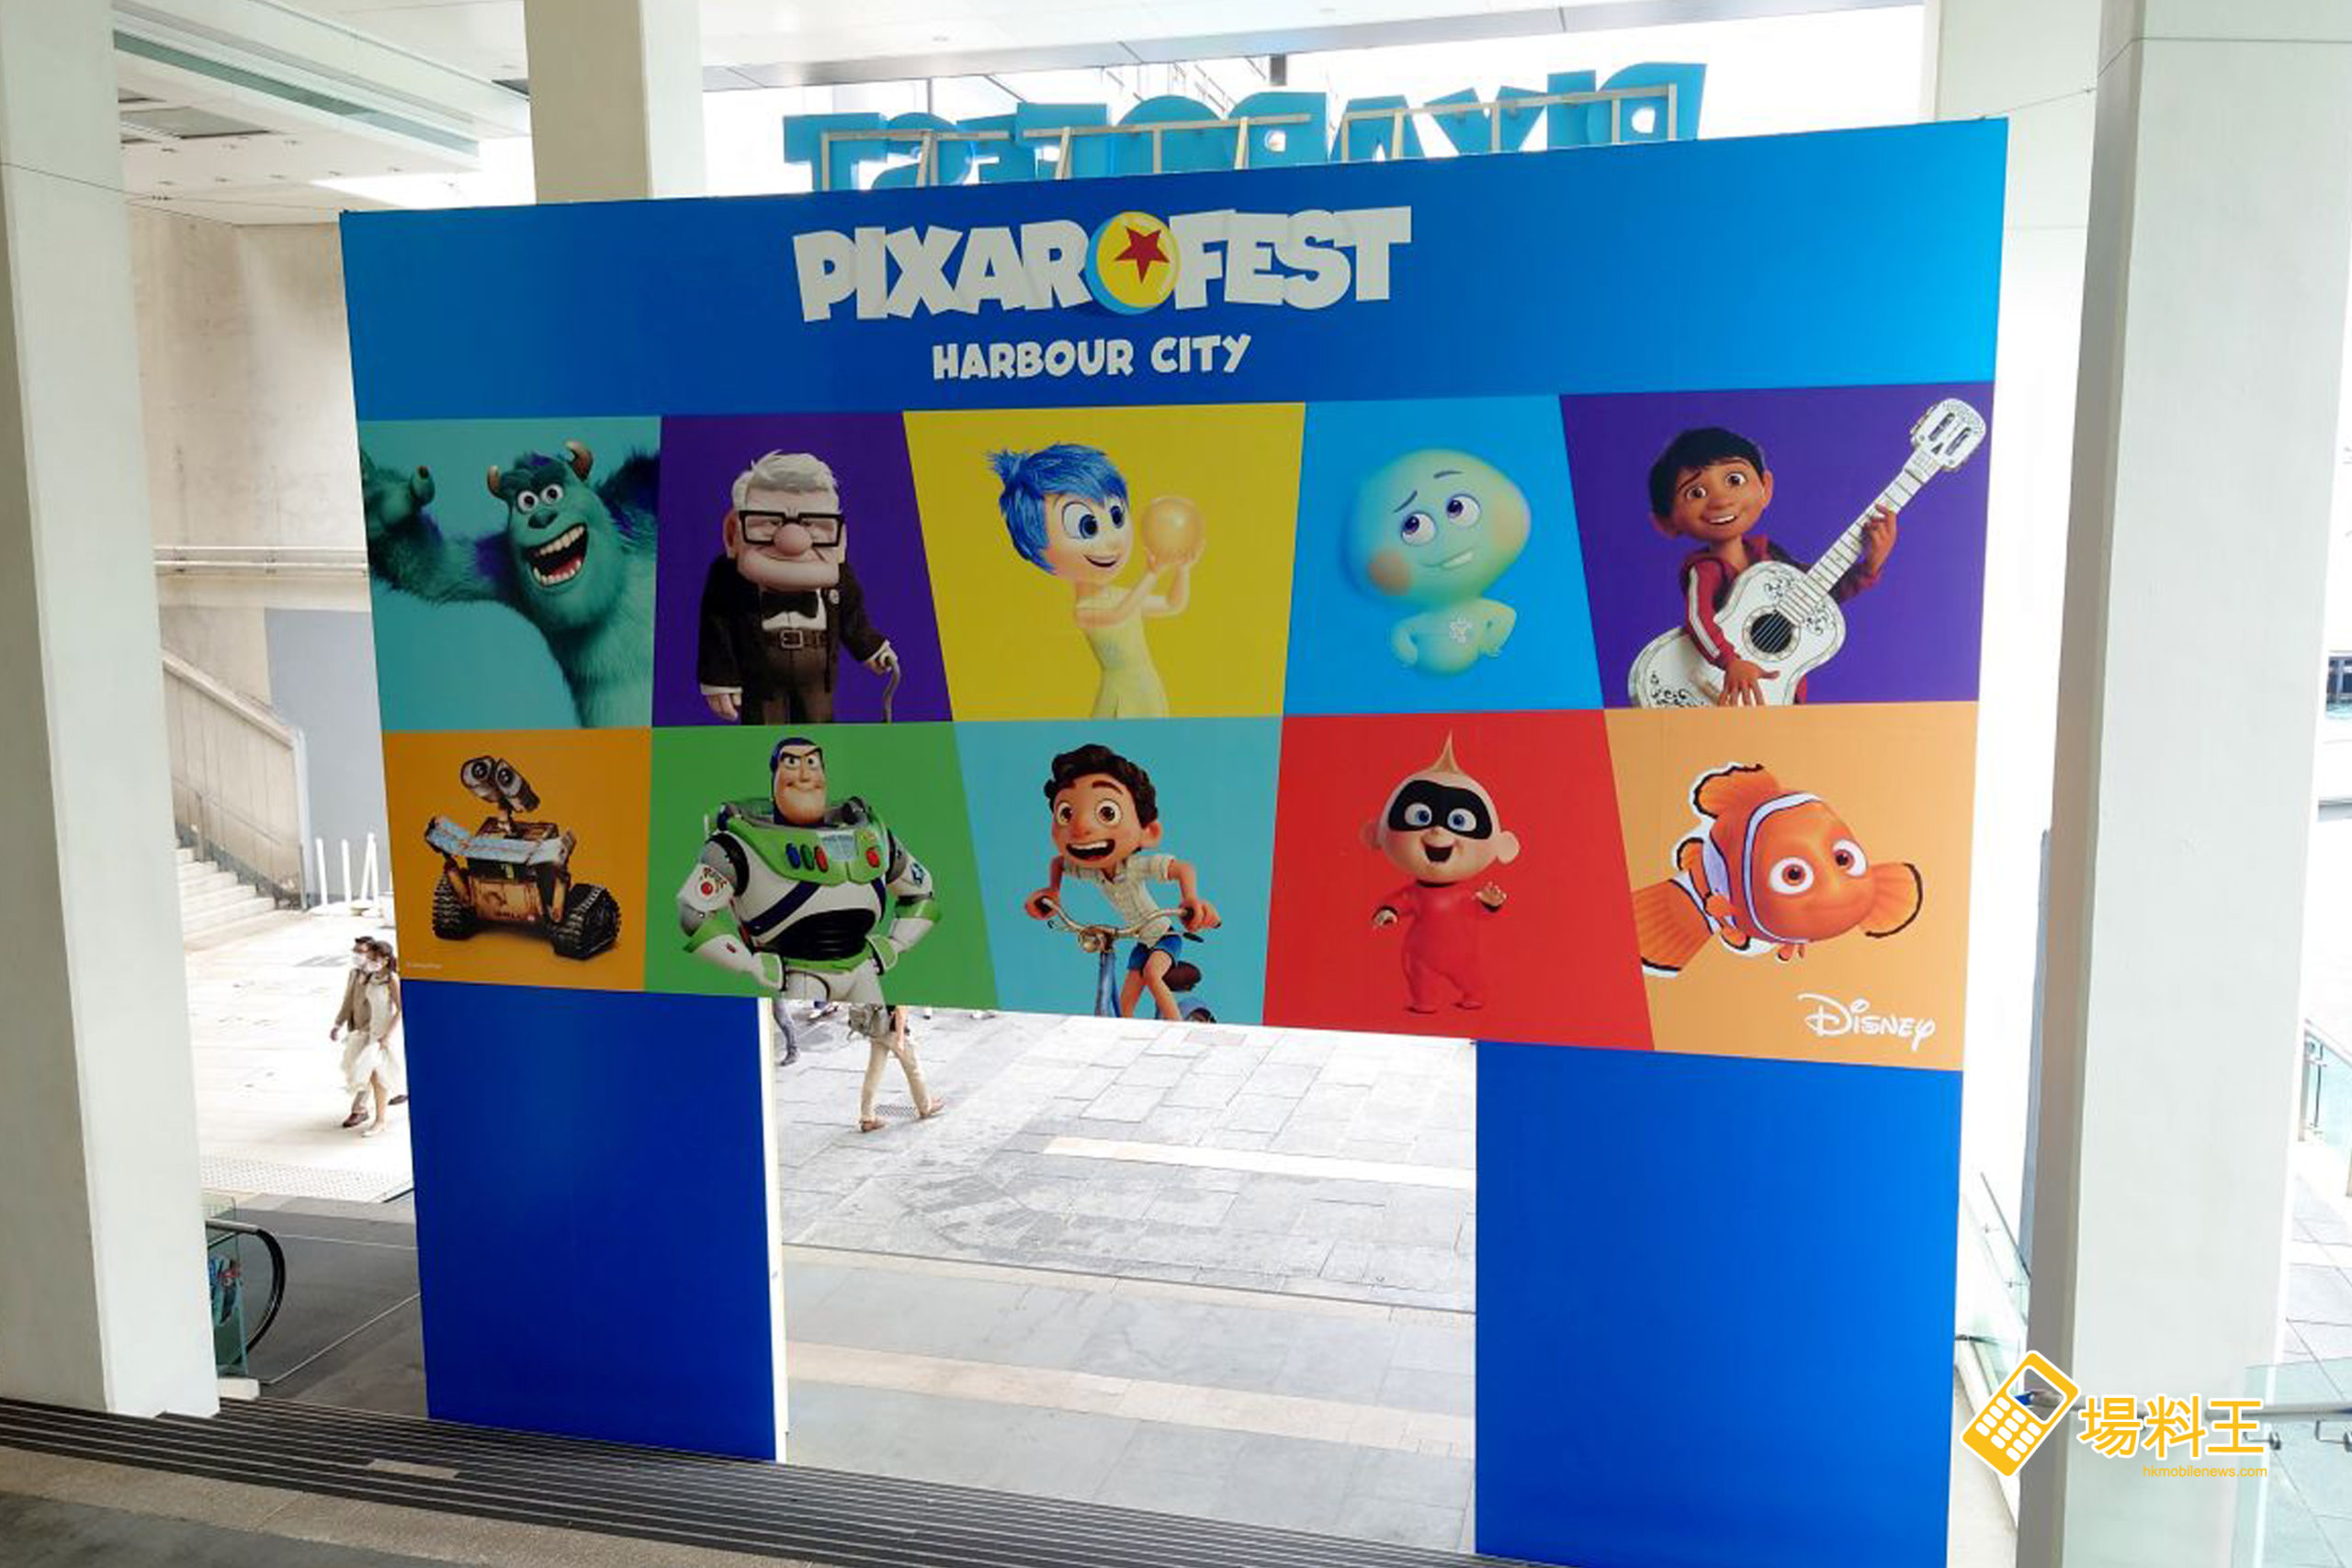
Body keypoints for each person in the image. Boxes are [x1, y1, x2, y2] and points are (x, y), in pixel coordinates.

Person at [1646, 426, 1897, 705]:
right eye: (1696, 493)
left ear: (1765, 487)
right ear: (1667, 522)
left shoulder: (1773, 558)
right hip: (1707, 681)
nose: (1721, 500)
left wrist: (1869, 566)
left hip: (1775, 695)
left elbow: (1821, 595)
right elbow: (1698, 621)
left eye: (1734, 479)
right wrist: (1730, 662)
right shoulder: (1707, 569)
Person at [989, 444, 1196, 718]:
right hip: (1120, 692)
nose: (1112, 540)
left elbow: (1172, 604)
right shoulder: (1085, 611)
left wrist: (1183, 570)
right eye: (1087, 526)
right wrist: (1152, 573)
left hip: (1147, 685)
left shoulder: (1122, 595)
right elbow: (1119, 614)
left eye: (1116, 517)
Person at [1022, 743, 1219, 1020]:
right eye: (1066, 813)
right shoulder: (1093, 872)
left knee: (1152, 975)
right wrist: (1052, 891)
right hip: (1141, 941)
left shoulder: (1136, 867)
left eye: (1107, 812)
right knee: (1126, 1006)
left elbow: (1183, 868)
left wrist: (1190, 899)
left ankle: (1178, 1030)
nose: (1080, 827)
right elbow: (1059, 863)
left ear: (1149, 832)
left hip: (1165, 937)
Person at [696, 451, 896, 724]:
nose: (793, 542)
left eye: (811, 523)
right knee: (762, 736)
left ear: (841, 539)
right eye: (771, 522)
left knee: (819, 731)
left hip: (817, 676)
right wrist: (719, 678)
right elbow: (716, 626)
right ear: (734, 533)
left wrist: (873, 649)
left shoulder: (839, 578)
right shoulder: (727, 578)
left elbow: (852, 619)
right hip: (760, 675)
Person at [1364, 735, 1521, 1014]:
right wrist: (1388, 912)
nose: (1437, 830)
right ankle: (1424, 1001)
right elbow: (1399, 902)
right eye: (1420, 816)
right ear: (1376, 834)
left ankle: (1474, 993)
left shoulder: (1462, 895)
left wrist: (1489, 904)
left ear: (1503, 846)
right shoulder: (1414, 894)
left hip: (1462, 955)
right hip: (1419, 955)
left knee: (1470, 979)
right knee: (1419, 979)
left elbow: (1476, 911)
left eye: (1459, 821)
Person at [331, 938, 403, 1135]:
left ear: (385, 959)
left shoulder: (391, 979)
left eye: (373, 959)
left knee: (378, 1076)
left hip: (384, 1034)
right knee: (373, 1076)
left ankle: (379, 1120)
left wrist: (387, 1036)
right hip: (370, 1032)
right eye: (368, 958)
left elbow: (400, 1009)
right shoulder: (369, 977)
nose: (369, 961)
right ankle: (377, 1116)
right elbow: (354, 999)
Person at [849, 1003, 944, 1134]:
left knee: (873, 1073)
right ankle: (925, 1107)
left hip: (876, 1029)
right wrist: (900, 1039)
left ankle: (867, 1118)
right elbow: (900, 1010)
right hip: (894, 1031)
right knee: (914, 1070)